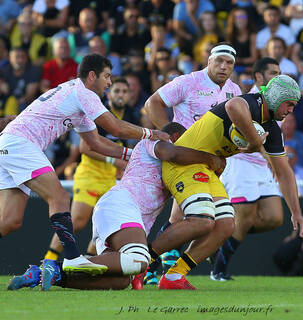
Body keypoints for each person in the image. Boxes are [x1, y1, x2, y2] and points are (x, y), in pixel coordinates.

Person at [0, 53, 169, 281]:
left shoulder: (76, 98)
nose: (109, 82)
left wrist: (133, 154)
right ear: (92, 76)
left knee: (10, 222)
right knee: (59, 197)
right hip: (21, 143)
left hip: (10, 145)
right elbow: (116, 128)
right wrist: (151, 133)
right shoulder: (82, 92)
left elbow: (97, 143)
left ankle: (66, 260)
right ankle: (71, 257)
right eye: (107, 76)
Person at [8, 122, 225, 291]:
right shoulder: (154, 144)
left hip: (124, 215)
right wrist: (210, 159)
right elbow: (173, 153)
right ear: (176, 137)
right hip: (121, 205)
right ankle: (56, 264)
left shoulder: (175, 167)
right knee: (138, 260)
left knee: (120, 280)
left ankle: (50, 275)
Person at [148, 75, 303, 290]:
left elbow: (285, 172)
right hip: (183, 162)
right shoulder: (253, 102)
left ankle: (174, 276)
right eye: (289, 104)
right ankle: (144, 262)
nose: (290, 110)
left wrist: (296, 213)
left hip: (207, 167)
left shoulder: (271, 129)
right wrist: (257, 144)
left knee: (225, 225)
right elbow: (233, 105)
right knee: (202, 220)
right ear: (277, 97)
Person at [144, 43, 241, 284]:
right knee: (195, 219)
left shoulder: (234, 90)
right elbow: (152, 103)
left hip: (210, 164)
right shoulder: (189, 81)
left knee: (195, 221)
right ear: (208, 61)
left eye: (229, 63)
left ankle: (166, 270)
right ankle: (148, 265)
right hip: (184, 160)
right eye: (219, 61)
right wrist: (168, 136)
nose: (223, 66)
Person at [208, 57, 284, 281]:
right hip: (241, 166)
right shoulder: (247, 101)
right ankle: (218, 270)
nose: (277, 77)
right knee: (245, 219)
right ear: (259, 77)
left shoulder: (276, 102)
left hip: (263, 167)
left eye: (279, 73)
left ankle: (217, 239)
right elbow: (238, 140)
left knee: (274, 218)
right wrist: (263, 151)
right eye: (273, 73)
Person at [43, 77, 132, 261]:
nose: (120, 95)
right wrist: (114, 161)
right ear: (109, 94)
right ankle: (49, 261)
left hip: (110, 180)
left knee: (106, 226)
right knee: (77, 221)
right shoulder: (101, 115)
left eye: (124, 91)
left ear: (129, 95)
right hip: (89, 175)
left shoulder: (131, 117)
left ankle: (91, 261)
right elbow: (84, 148)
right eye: (117, 91)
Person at [273, 178, 303, 276]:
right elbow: (300, 221)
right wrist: (292, 236)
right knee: (282, 253)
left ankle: (295, 275)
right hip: (302, 238)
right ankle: (288, 275)